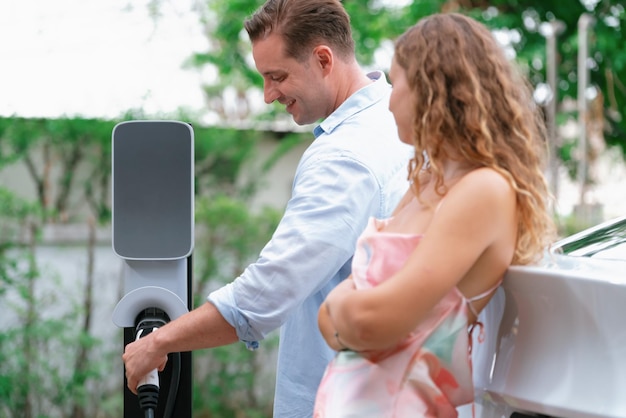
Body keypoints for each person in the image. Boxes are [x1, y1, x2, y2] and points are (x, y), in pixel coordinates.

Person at [122, 0, 412, 416]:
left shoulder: (344, 157)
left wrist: (158, 342)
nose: (268, 95)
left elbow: (267, 293)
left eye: (277, 77)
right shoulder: (396, 121)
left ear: (323, 59)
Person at [314, 12, 556, 417]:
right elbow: (333, 323)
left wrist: (345, 309)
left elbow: (372, 321)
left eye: (397, 82)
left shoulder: (483, 189)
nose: (388, 100)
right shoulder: (425, 181)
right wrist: (350, 316)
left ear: (433, 89)